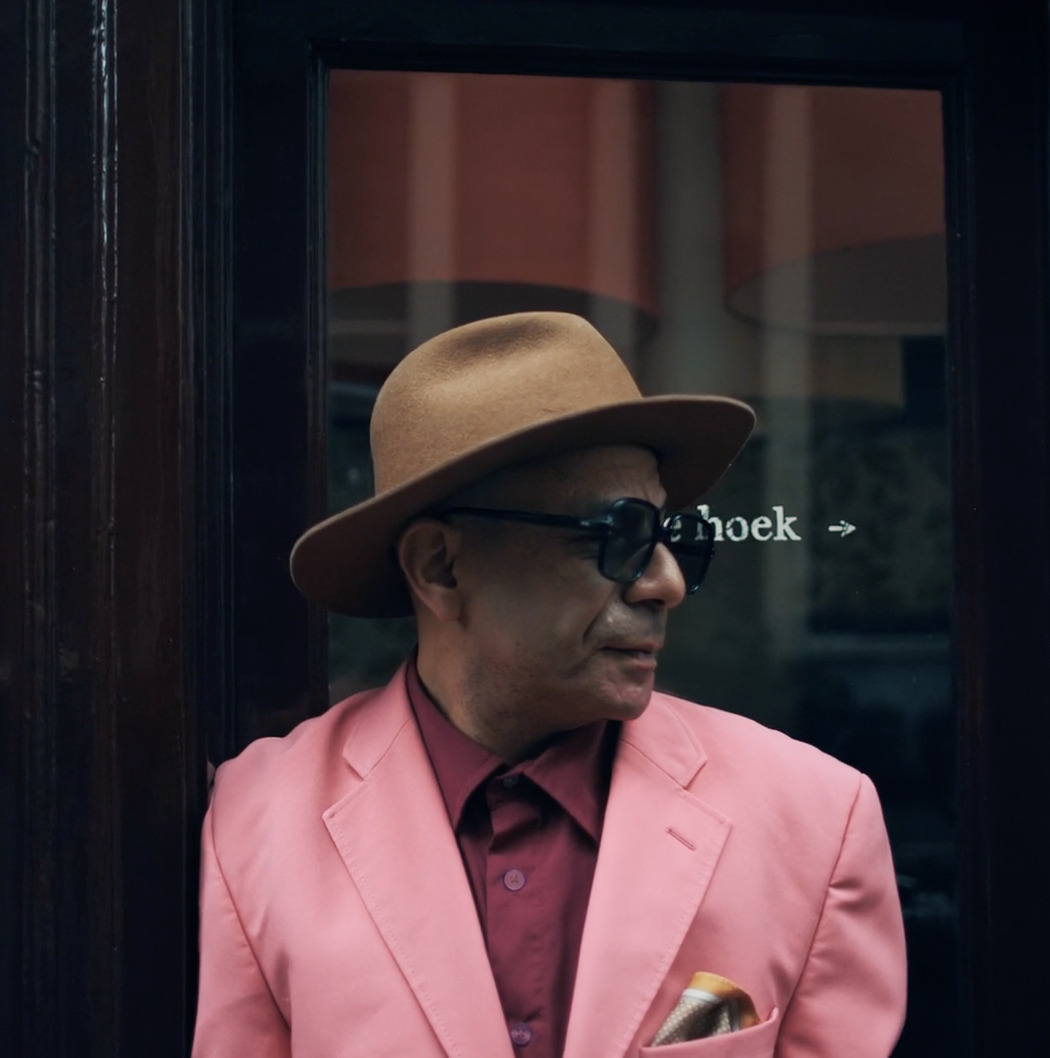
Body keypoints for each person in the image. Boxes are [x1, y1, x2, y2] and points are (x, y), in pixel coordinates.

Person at [192, 312, 906, 1058]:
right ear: (441, 566)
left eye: (673, 539)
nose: (666, 583)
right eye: (619, 535)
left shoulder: (815, 818)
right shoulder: (257, 823)